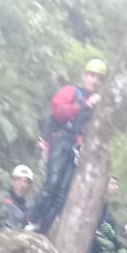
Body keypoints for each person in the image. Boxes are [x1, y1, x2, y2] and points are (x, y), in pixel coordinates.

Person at [32, 57, 106, 234]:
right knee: (52, 184)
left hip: (79, 149)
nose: (94, 80)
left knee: (62, 196)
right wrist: (85, 104)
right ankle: (31, 219)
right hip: (61, 140)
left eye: (98, 78)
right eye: (91, 75)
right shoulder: (70, 91)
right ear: (84, 76)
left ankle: (41, 231)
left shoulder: (101, 104)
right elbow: (58, 112)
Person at [87, 174, 120, 253]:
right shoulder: (93, 204)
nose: (115, 187)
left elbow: (113, 237)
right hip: (86, 252)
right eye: (112, 183)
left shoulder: (108, 214)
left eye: (116, 184)